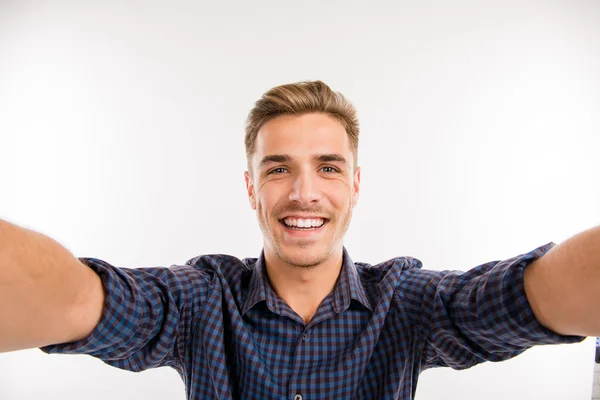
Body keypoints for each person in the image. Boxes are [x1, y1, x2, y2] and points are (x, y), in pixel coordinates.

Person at [0, 80, 594, 400]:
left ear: (356, 186)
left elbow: (526, 297)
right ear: (252, 188)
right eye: (278, 168)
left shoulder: (408, 303)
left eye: (329, 168)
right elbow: (85, 303)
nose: (303, 193)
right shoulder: (201, 300)